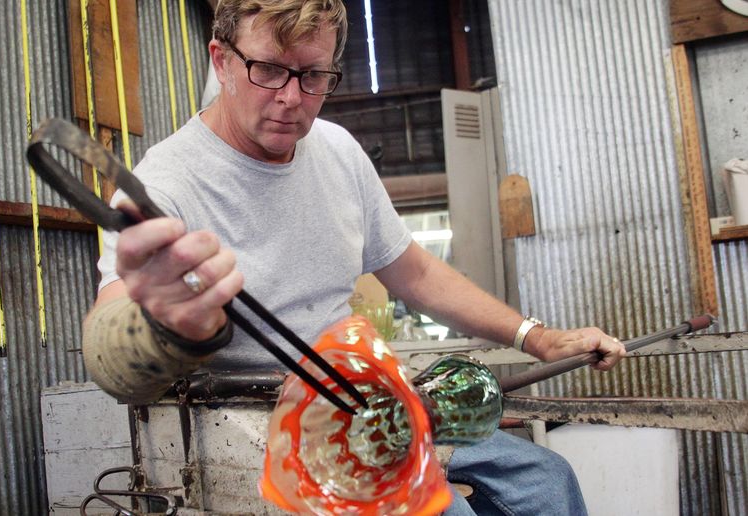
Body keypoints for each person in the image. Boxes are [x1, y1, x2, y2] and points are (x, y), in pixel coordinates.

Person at [82, 0, 627, 514]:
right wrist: (161, 328)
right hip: (258, 420)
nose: (292, 98)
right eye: (268, 70)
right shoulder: (165, 184)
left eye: (312, 75)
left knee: (547, 482)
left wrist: (536, 337)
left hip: (371, 398)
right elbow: (111, 341)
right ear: (221, 60)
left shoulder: (338, 150)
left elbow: (413, 271)